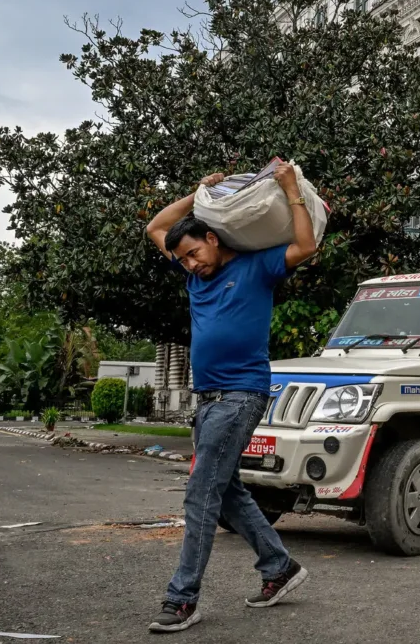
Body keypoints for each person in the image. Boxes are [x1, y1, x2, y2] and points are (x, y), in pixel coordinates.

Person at [143, 162, 319, 634]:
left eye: (195, 252)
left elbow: (305, 245)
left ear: (214, 239)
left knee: (201, 494)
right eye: (182, 258)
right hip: (208, 400)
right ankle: (279, 568)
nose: (190, 263)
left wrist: (289, 190)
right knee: (225, 494)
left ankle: (182, 599)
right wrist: (197, 191)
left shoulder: (254, 266)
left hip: (241, 396)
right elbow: (156, 227)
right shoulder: (192, 277)